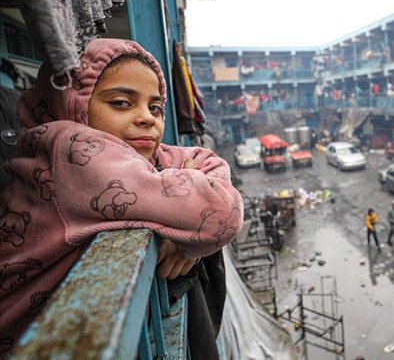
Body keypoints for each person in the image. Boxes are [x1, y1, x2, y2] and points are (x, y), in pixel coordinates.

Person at [0, 39, 243, 354]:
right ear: (72, 104)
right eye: (121, 103)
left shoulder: (123, 155)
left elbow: (206, 159)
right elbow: (221, 212)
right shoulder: (72, 147)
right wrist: (192, 225)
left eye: (154, 107)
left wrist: (188, 227)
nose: (146, 118)